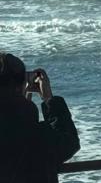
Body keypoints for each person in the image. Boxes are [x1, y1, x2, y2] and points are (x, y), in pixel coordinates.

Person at [0, 53, 80, 183]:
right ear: (21, 85)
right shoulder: (39, 136)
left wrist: (22, 102)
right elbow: (69, 141)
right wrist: (48, 98)